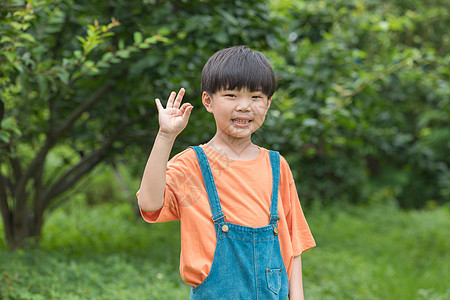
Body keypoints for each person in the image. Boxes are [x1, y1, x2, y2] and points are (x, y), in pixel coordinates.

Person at [137, 46, 315, 299]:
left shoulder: (277, 166)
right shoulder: (193, 164)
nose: (244, 107)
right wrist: (166, 136)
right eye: (231, 95)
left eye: (255, 97)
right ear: (208, 101)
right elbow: (149, 203)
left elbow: (292, 244)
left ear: (268, 103)